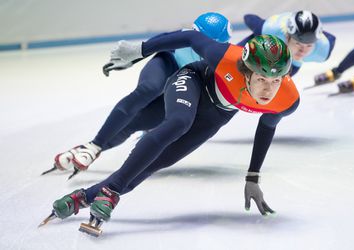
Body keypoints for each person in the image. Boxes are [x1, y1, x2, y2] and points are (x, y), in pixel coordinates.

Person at [43, 32, 299, 236]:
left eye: (276, 81)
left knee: (157, 162)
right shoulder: (225, 57)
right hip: (194, 80)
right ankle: (111, 193)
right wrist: (141, 49)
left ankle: (81, 198)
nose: (268, 89)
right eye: (262, 79)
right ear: (246, 71)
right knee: (179, 121)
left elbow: (267, 128)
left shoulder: (286, 100)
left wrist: (253, 177)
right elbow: (189, 37)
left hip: (216, 114)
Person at [45, 12, 233, 179]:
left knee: (137, 123)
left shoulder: (223, 56)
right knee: (149, 88)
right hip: (168, 63)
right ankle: (94, 146)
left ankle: (87, 148)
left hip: (186, 82)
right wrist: (130, 58)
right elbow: (154, 44)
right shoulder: (184, 36)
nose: (198, 43)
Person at [240, 10, 336, 76]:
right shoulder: (271, 30)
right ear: (287, 36)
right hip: (275, 31)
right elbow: (248, 17)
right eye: (298, 43)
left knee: (279, 78)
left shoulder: (322, 52)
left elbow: (332, 38)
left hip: (290, 56)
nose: (302, 51)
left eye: (309, 45)